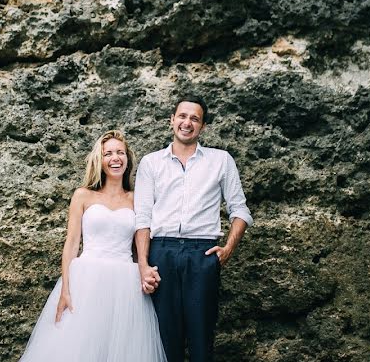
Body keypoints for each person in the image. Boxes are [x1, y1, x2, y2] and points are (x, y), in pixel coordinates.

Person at [19, 130, 167, 362]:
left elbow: (141, 245)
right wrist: (66, 290)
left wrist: (146, 271)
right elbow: (70, 246)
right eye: (108, 153)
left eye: (120, 152)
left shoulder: (137, 199)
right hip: (86, 280)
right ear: (100, 160)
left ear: (128, 158)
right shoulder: (83, 196)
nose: (115, 158)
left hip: (125, 285)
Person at [134, 95, 253, 362]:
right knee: (165, 339)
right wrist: (143, 264)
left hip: (203, 254)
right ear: (172, 120)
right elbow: (142, 218)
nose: (187, 123)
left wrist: (228, 249)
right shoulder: (151, 163)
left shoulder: (221, 160)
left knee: (202, 338)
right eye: (182, 116)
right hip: (161, 252)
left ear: (203, 127)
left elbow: (240, 210)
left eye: (195, 119)